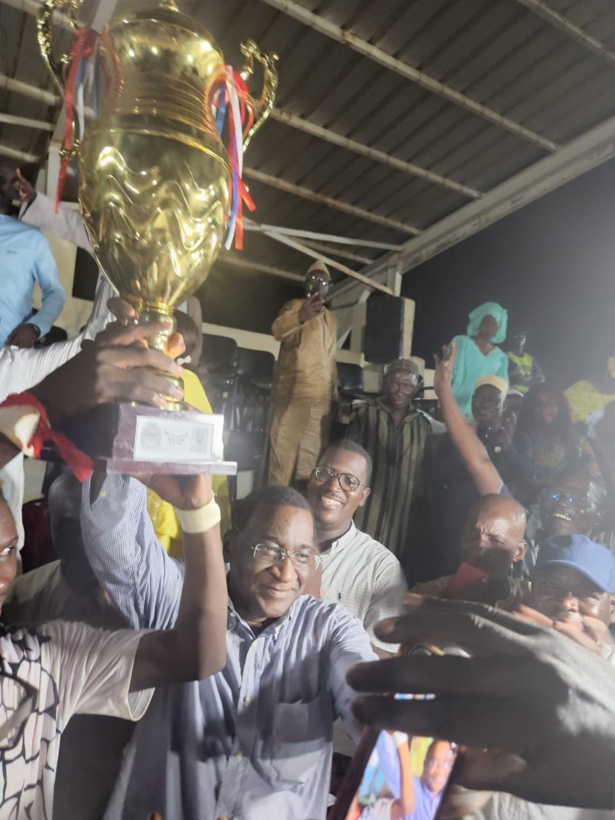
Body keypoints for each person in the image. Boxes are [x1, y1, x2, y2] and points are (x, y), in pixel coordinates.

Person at [0, 343, 228, 818]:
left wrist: (198, 511)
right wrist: (43, 405)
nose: (2, 572)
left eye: (6, 551)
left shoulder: (39, 658)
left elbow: (199, 653)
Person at [79, 477, 377, 819]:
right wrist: (129, 459)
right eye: (269, 550)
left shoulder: (328, 630)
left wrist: (393, 715)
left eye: (301, 555)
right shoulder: (179, 602)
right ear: (229, 547)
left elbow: (365, 693)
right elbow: (113, 537)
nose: (285, 572)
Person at [347, 595, 615, 811]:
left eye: (588, 593)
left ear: (611, 608)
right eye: (550, 585)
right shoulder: (482, 671)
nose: (567, 602)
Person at [306, 439, 407, 656]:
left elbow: (385, 657)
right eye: (325, 473)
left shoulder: (381, 568)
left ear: (363, 496)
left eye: (349, 481)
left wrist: (318, 620)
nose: (333, 486)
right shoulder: (274, 541)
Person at [434, 373, 531, 574]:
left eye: (492, 399)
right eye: (478, 398)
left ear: (504, 405)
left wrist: (508, 449)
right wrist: (467, 442)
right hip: (458, 514)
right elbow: (441, 472)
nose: (483, 404)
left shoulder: (518, 439)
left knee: (489, 571)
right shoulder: (456, 436)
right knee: (452, 569)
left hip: (496, 525)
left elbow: (526, 475)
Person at [345, 360, 437, 569]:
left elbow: (424, 473)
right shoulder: (365, 414)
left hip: (400, 514)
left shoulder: (422, 425)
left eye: (407, 385)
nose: (400, 391)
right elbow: (348, 460)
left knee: (387, 566)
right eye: (395, 383)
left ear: (415, 388)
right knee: (355, 560)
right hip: (365, 509)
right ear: (386, 382)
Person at [268, 259, 337, 486]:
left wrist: (333, 394)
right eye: (314, 280)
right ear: (306, 284)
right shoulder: (295, 306)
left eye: (324, 281)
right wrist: (301, 316)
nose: (319, 285)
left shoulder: (331, 318)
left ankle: (303, 504)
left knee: (311, 461)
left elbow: (331, 359)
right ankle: (275, 502)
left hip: (320, 399)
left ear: (329, 287)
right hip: (293, 394)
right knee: (282, 457)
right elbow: (278, 330)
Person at [412, 494, 528, 608]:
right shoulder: (423, 597)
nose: (477, 549)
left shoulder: (530, 600)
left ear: (519, 551)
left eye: (495, 540)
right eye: (471, 533)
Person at [0, 162, 65, 348]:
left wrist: (35, 327)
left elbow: (55, 293)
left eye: (4, 180)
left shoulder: (31, 238)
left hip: (8, 351)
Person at [517, 382, 601, 510]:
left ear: (560, 407)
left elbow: (596, 481)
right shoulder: (519, 440)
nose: (544, 407)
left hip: (568, 509)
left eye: (551, 403)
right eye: (538, 403)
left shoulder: (577, 441)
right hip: (527, 509)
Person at [450, 301, 509, 419]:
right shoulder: (462, 343)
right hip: (455, 406)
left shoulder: (500, 357)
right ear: (478, 323)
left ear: (498, 328)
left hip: (482, 412)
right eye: (485, 323)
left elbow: (501, 386)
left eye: (493, 324)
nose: (489, 328)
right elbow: (452, 373)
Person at [507, 328, 545, 394]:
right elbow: (517, 379)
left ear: (525, 339)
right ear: (512, 338)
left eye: (522, 335)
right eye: (516, 335)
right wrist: (532, 379)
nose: (520, 337)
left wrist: (527, 381)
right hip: (513, 393)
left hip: (529, 393)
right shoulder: (507, 356)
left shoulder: (530, 358)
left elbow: (541, 378)